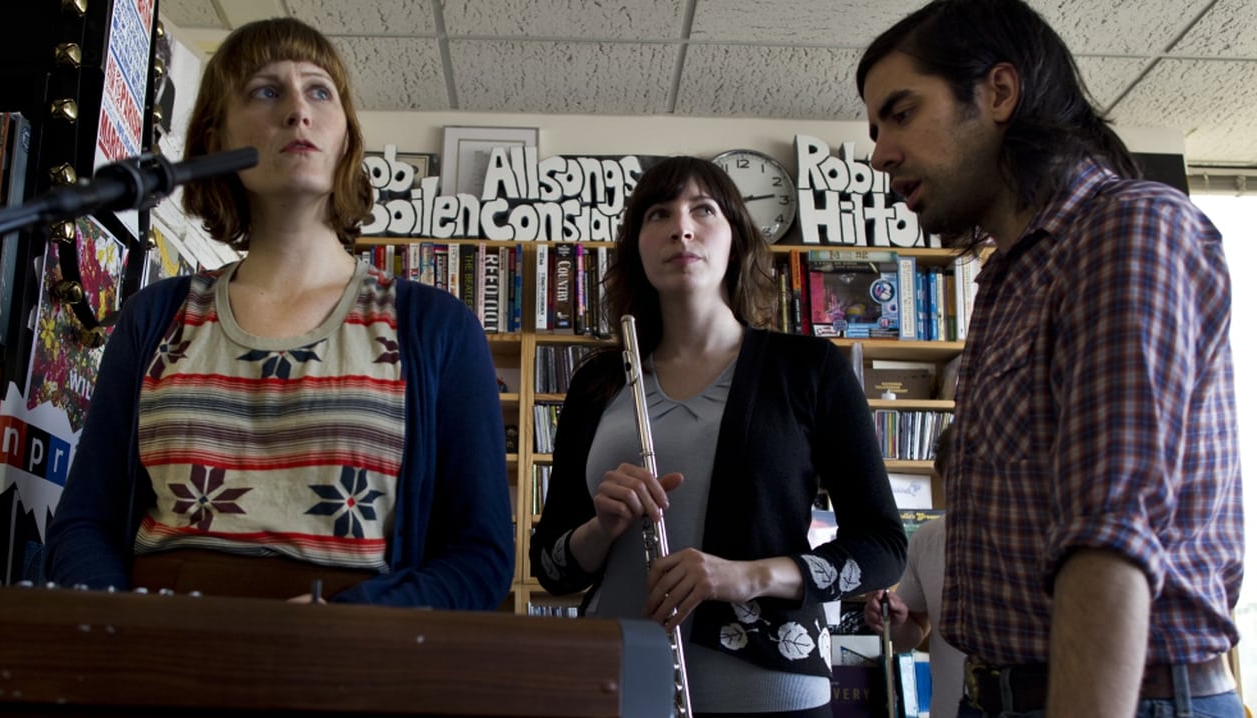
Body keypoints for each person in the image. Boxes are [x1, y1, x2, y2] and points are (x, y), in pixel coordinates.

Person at [43, 17, 514, 609]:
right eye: (266, 91)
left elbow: (481, 557)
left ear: (345, 136)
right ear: (216, 140)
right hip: (157, 663)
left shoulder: (435, 328)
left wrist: (347, 625)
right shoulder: (153, 318)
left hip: (351, 673)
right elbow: (84, 523)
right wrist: (122, 633)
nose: (298, 111)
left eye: (320, 90)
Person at [856, 1, 1244, 717]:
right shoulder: (1008, 278)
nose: (880, 152)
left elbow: (1111, 539)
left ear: (999, 93)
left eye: (901, 114)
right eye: (877, 128)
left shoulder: (1125, 227)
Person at [529, 155, 907, 717]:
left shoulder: (809, 369)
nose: (681, 226)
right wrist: (600, 529)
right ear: (637, 245)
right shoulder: (598, 382)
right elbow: (551, 568)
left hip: (770, 694)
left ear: (737, 238)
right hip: (618, 687)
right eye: (659, 213)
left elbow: (883, 548)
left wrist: (747, 576)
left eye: (703, 209)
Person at [864, 425, 963, 718]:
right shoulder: (928, 538)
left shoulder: (1040, 537)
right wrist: (894, 622)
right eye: (956, 481)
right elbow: (911, 635)